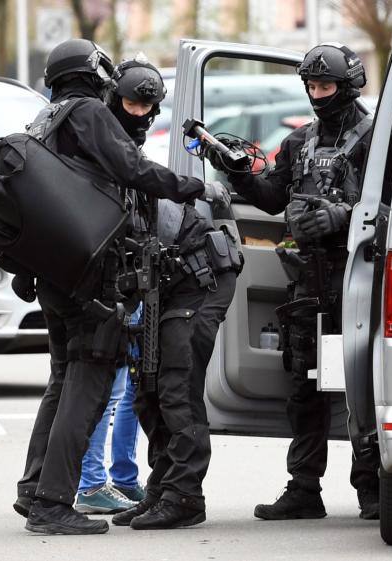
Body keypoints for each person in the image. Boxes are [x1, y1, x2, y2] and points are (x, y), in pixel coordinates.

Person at [13, 39, 220, 536]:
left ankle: (34, 488)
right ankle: (52, 504)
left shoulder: (48, 120)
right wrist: (194, 186)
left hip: (54, 275)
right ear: (94, 72)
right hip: (89, 279)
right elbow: (133, 169)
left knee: (62, 381)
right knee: (90, 380)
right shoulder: (86, 112)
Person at [206, 43, 380, 521]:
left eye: (325, 87)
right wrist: (235, 169)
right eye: (311, 87)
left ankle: (374, 487)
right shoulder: (299, 142)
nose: (317, 95)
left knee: (365, 381)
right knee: (304, 385)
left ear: (347, 87)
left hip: (361, 279)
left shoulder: (380, 141)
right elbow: (269, 197)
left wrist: (342, 219)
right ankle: (304, 487)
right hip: (307, 281)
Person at [103, 55, 239, 530]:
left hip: (198, 278)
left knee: (177, 387)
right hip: (161, 285)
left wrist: (200, 186)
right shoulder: (105, 150)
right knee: (148, 388)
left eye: (147, 106)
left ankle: (185, 497)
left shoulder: (129, 158)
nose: (139, 114)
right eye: (131, 103)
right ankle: (163, 486)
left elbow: (157, 189)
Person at [75, 305, 144, 514]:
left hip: (127, 298)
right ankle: (92, 485)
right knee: (109, 395)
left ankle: (122, 481)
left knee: (127, 389)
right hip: (122, 297)